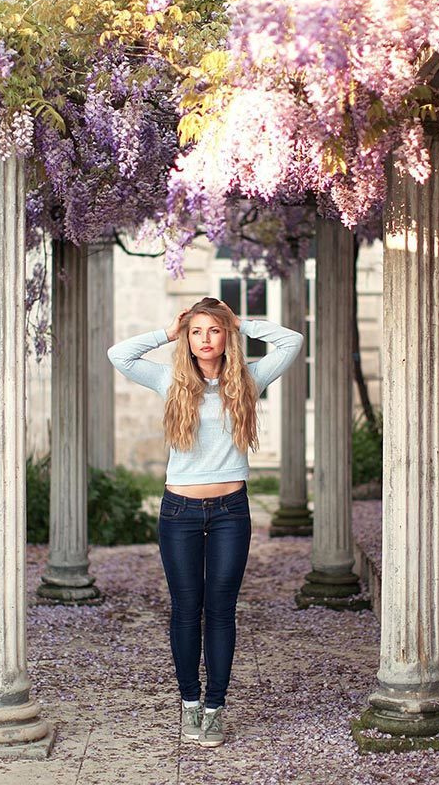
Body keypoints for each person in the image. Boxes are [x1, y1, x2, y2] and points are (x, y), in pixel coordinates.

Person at [106, 296, 303, 747]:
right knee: (185, 609)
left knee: (220, 611)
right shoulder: (170, 380)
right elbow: (120, 355)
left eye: (213, 330)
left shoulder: (248, 379)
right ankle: (189, 703)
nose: (205, 339)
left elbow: (291, 342)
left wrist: (242, 323)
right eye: (197, 331)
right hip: (180, 513)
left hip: (232, 511)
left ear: (225, 334)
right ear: (188, 337)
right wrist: (167, 333)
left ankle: (215, 708)